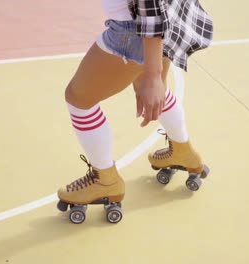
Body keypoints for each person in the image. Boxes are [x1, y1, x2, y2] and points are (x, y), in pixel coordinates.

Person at [56, 0, 213, 223]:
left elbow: (150, 12)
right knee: (154, 87)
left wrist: (152, 73)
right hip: (165, 18)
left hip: (136, 30)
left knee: (78, 98)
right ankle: (182, 151)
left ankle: (105, 180)